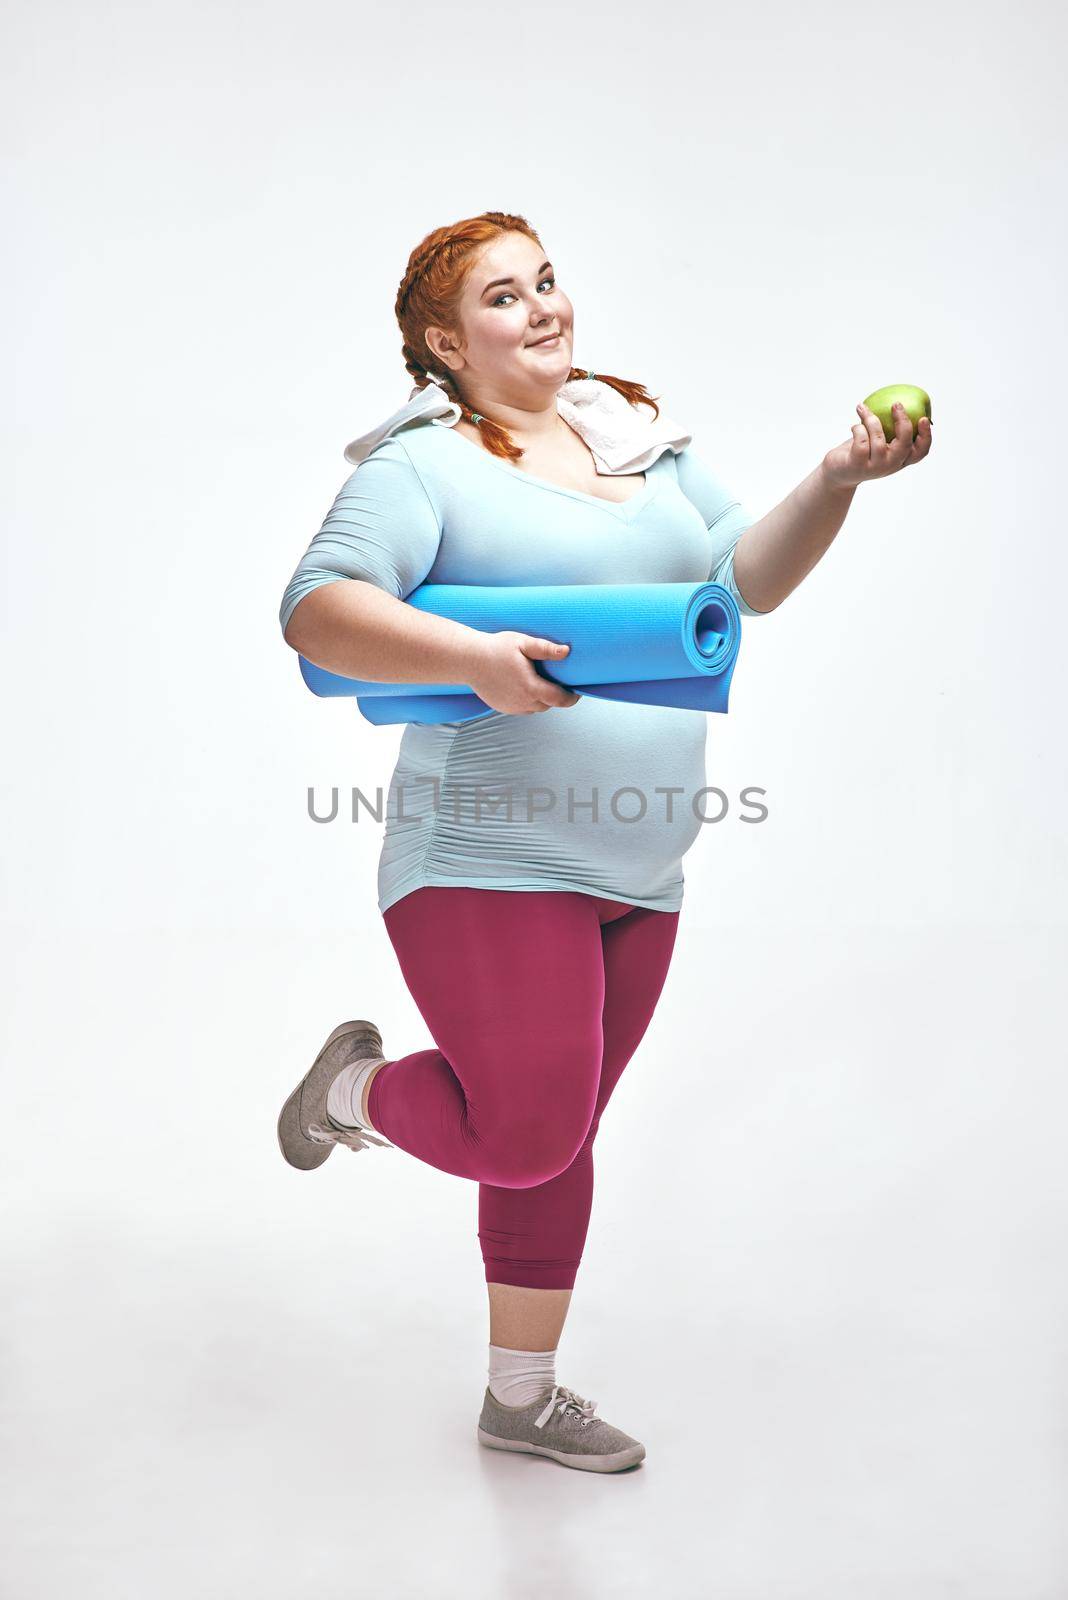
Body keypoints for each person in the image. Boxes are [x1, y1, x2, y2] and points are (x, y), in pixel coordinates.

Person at [275, 210, 934, 1474]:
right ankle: (351, 1092)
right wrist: (472, 655)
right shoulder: (424, 468)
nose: (545, 310)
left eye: (549, 281)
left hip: (642, 866)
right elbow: (317, 613)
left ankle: (518, 1400)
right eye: (506, 297)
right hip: (482, 858)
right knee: (524, 1130)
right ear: (443, 341)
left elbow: (744, 581)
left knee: (553, 1135)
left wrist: (837, 479)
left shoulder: (636, 441)